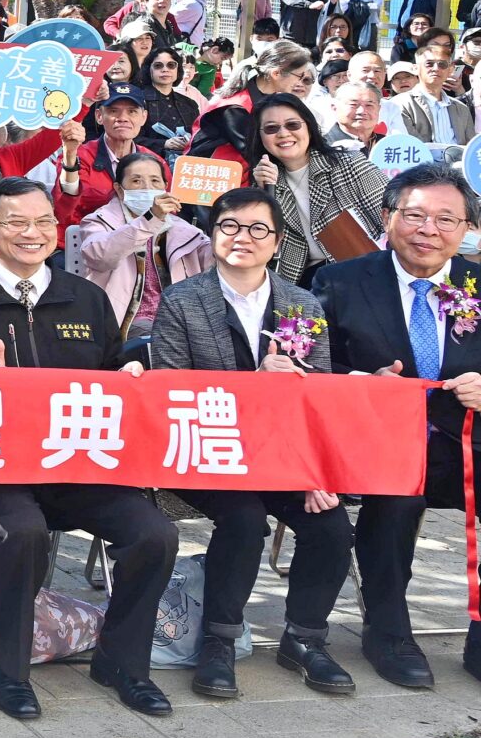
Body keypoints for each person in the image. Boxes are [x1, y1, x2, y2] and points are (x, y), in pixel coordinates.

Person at [0, 178, 180, 722]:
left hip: (75, 460)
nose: (32, 233)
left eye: (43, 221)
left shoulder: (84, 297)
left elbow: (112, 374)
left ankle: (121, 662)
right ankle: (9, 671)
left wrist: (130, 374)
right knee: (23, 532)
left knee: (154, 535)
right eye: (16, 222)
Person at [146, 187, 356, 698]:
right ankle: (219, 639)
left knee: (331, 528)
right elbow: (173, 392)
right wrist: (253, 385)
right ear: (212, 234)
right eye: (230, 226)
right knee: (243, 520)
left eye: (258, 228)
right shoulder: (182, 300)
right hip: (209, 450)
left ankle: (304, 637)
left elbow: (317, 397)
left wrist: (314, 471)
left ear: (277, 241)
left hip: (282, 455)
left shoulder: (302, 303)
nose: (243, 237)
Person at [315, 164, 481, 690]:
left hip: (466, 440)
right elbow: (310, 365)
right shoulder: (339, 281)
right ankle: (387, 631)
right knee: (395, 502)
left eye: (446, 219)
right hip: (380, 441)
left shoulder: (477, 283)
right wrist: (362, 382)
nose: (429, 230)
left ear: (466, 229)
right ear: (387, 218)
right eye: (414, 215)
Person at [247, 94, 387, 286]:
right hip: (300, 282)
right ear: (260, 136)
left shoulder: (348, 164)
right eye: (272, 128)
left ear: (309, 127)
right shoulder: (265, 183)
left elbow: (391, 220)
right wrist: (264, 195)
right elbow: (263, 244)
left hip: (361, 271)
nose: (283, 134)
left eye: (292, 125)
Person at [74, 152, 212, 341]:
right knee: (159, 337)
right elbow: (100, 256)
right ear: (119, 189)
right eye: (136, 181)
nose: (147, 187)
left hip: (181, 318)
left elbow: (217, 263)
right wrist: (150, 219)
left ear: (165, 187)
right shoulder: (99, 221)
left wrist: (221, 223)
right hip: (124, 321)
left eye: (155, 181)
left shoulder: (184, 229)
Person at [382, 42, 473, 148]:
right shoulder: (399, 105)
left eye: (442, 64)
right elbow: (408, 147)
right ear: (416, 69)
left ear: (450, 70)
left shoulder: (461, 108)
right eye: (429, 64)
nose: (436, 68)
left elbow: (471, 149)